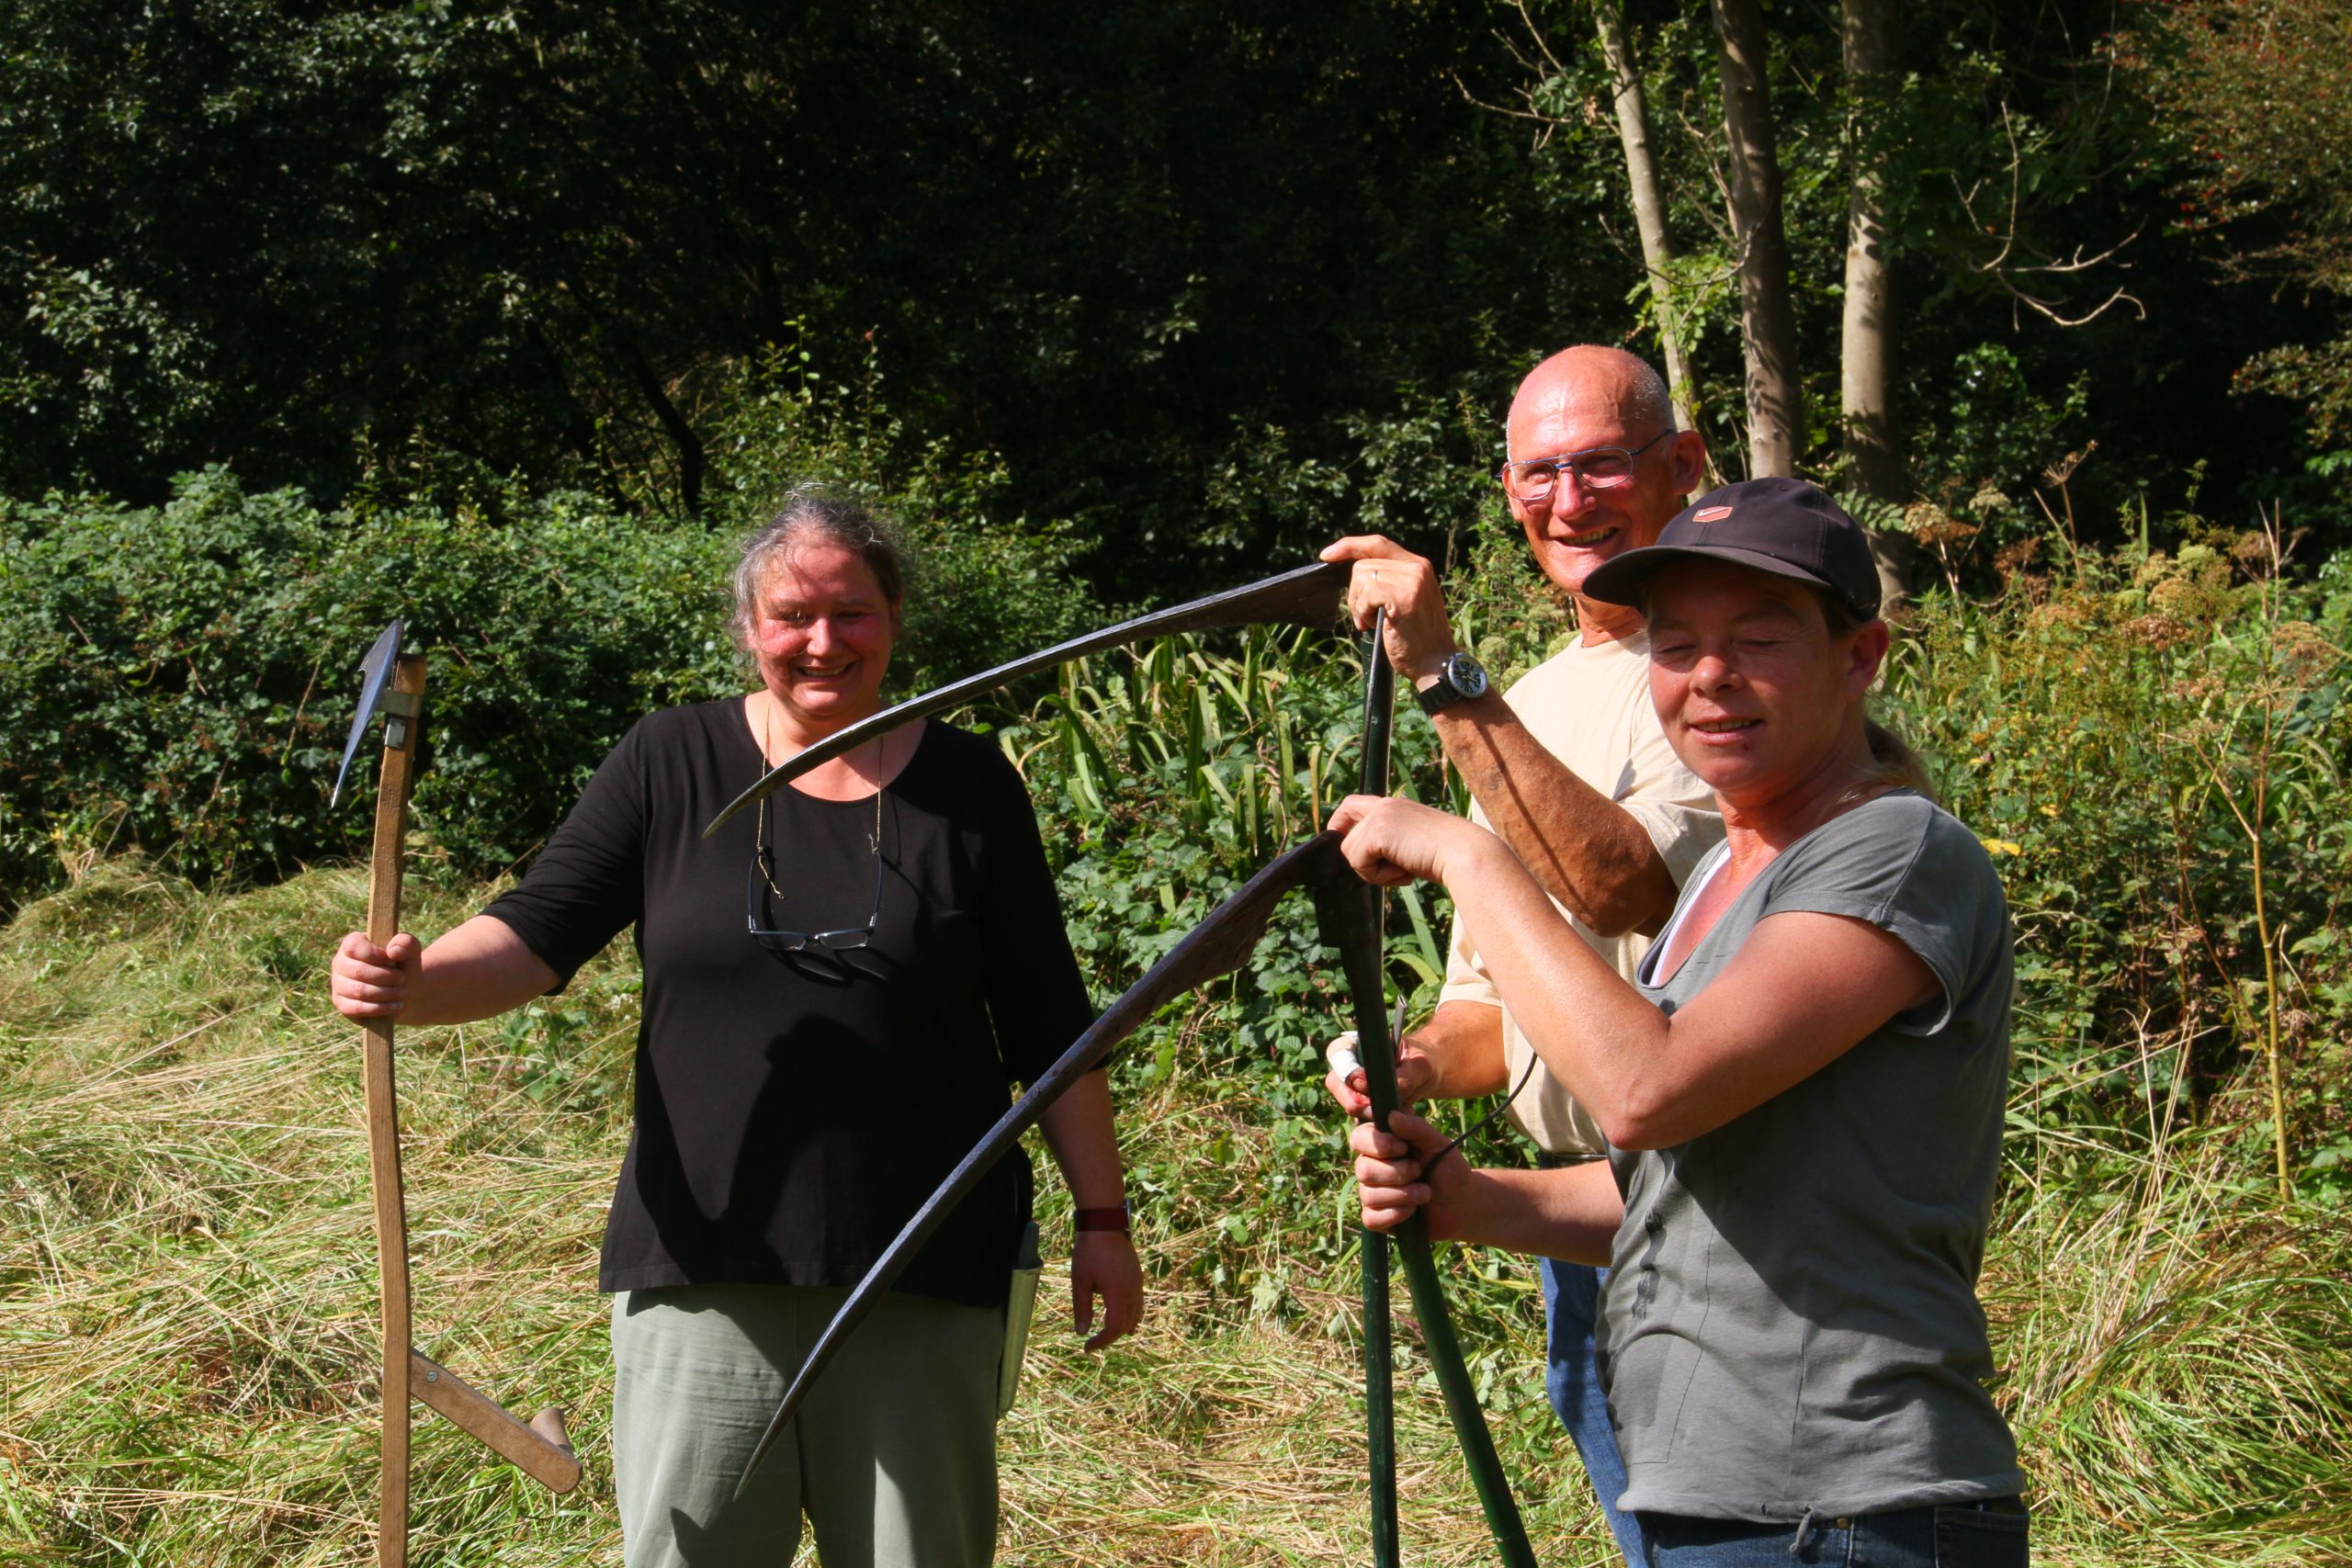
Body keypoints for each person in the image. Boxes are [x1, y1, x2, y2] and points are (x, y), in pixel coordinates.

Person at [328, 488, 1143, 1568]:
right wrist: (415, 980)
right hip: (703, 1269)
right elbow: (535, 933)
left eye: (850, 612)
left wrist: (1104, 1219)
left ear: (893, 618)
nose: (821, 641)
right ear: (749, 627)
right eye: (791, 614)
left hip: (923, 1271)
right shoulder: (670, 761)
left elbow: (1048, 1027)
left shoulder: (970, 786)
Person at [1331, 479, 2029, 1566]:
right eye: (1676, 644)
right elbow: (1678, 1192)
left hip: (1844, 1509)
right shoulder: (1725, 886)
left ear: (1858, 658)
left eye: (1759, 639)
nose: (1710, 677)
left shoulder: (1895, 851)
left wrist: (1466, 855)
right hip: (1715, 1499)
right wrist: (1463, 1198)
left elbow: (1648, 1090)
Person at [1318, 344, 1722, 1562]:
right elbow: (1493, 1004)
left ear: (1685, 464)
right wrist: (1408, 1060)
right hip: (1577, 1229)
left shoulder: (1725, 672)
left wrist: (1442, 677)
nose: (1570, 499)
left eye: (1602, 463)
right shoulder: (1527, 700)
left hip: (1714, 1205)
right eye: (1541, 473)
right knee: (1651, 1537)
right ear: (1508, 493)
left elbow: (1626, 884)